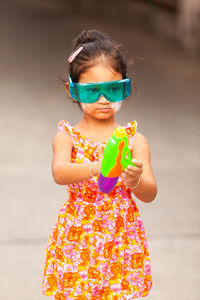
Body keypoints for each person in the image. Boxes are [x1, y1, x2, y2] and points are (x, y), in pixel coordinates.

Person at [42, 29, 157, 300]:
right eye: (92, 91)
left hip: (121, 237)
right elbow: (60, 172)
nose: (104, 100)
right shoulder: (66, 137)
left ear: (125, 87)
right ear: (73, 90)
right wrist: (97, 167)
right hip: (79, 236)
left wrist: (135, 180)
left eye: (113, 89)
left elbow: (150, 193)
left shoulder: (134, 140)